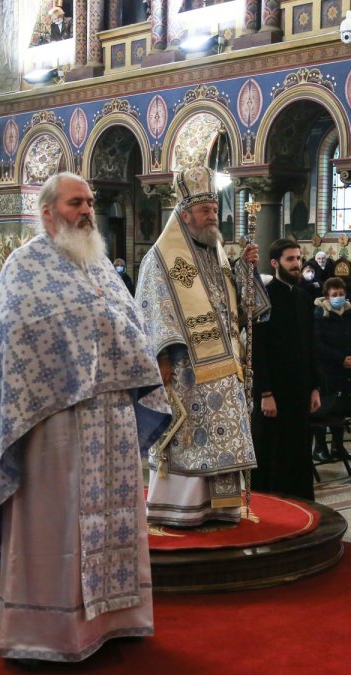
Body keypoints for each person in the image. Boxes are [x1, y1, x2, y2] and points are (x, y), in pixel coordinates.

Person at [0, 172, 168, 664]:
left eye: (91, 201)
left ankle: (116, 620)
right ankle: (51, 632)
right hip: (53, 420)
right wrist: (84, 350)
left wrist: (118, 346)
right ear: (49, 211)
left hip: (111, 419)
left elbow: (129, 325)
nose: (87, 210)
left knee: (113, 518)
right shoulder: (23, 266)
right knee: (59, 523)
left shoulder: (100, 266)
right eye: (77, 202)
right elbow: (18, 338)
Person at [136, 166, 268, 527]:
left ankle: (221, 507)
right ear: (185, 215)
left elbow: (233, 305)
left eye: (214, 209)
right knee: (189, 437)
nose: (213, 216)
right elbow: (151, 309)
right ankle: (180, 509)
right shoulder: (160, 259)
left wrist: (244, 270)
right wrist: (160, 356)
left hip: (225, 366)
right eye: (205, 211)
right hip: (185, 370)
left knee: (222, 435)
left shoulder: (217, 253)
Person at [251, 238, 320, 500]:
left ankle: (302, 506)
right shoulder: (266, 298)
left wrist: (315, 386)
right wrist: (265, 392)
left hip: (300, 391)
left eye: (298, 258)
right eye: (290, 259)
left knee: (300, 451)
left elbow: (310, 345)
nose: (296, 264)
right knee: (273, 452)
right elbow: (258, 349)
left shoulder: (303, 297)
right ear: (275, 263)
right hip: (274, 393)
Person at [312, 277, 351, 463]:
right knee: (325, 409)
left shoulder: (350, 313)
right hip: (328, 370)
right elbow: (318, 344)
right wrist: (340, 359)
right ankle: (319, 447)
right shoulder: (320, 315)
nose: (339, 297)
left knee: (341, 409)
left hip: (349, 369)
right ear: (327, 296)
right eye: (334, 294)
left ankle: (337, 446)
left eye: (341, 294)